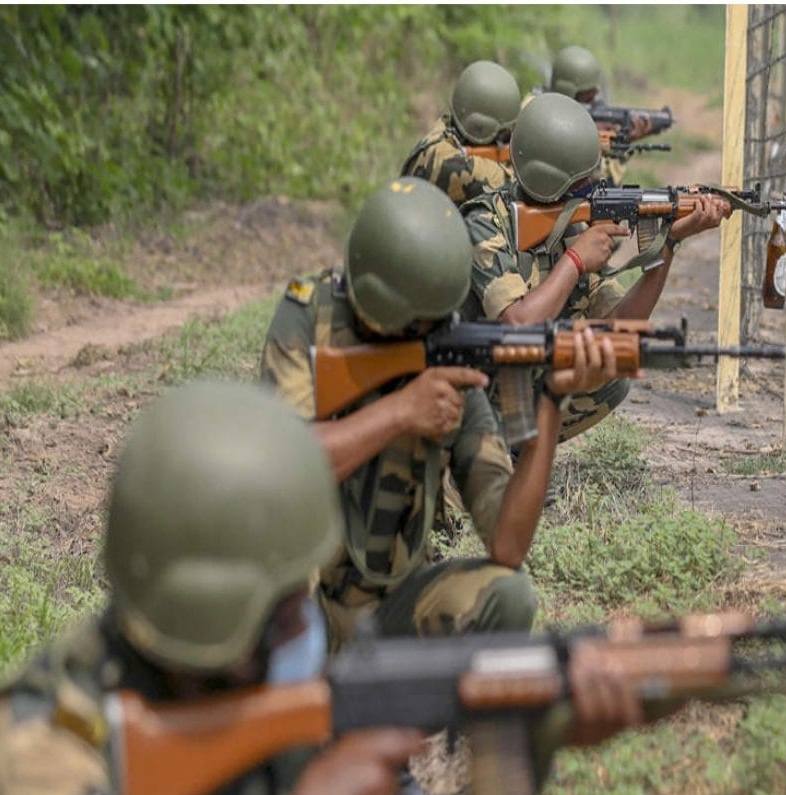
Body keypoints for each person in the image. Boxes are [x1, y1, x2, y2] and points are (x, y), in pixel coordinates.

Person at [0, 382, 429, 795]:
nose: (309, 626)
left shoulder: (235, 703)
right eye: (292, 605)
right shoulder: (36, 757)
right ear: (220, 621)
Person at [260, 177, 617, 652]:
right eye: (421, 323)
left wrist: (551, 401)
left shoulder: (448, 359)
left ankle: (415, 701)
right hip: (297, 606)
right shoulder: (310, 317)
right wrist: (401, 411)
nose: (430, 331)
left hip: (390, 605)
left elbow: (507, 543)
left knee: (507, 597)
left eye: (438, 321)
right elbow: (285, 467)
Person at [461, 93, 731, 442]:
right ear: (551, 180)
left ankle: (520, 458)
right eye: (584, 184)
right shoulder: (485, 223)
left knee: (612, 368)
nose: (591, 190)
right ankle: (498, 456)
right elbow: (517, 325)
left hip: (514, 385)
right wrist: (575, 262)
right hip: (466, 395)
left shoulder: (568, 225)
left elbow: (621, 328)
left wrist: (667, 245)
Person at [400, 60, 520, 205]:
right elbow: (517, 186)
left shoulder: (446, 128)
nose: (506, 142)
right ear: (481, 127)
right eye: (505, 136)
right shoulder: (447, 162)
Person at [541, 45, 656, 187]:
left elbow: (607, 184)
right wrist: (590, 137)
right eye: (588, 99)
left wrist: (619, 142)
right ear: (568, 92)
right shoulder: (536, 114)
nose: (595, 104)